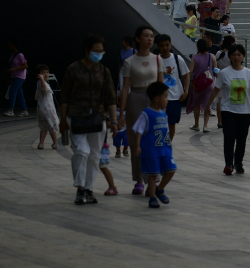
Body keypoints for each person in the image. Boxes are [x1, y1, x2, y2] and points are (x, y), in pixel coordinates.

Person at [58, 34, 119, 205]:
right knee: (81, 151)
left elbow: (110, 98)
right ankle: (80, 187)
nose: (98, 54)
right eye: (95, 51)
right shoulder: (73, 69)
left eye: (101, 51)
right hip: (77, 116)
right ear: (86, 50)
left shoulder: (103, 71)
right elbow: (64, 96)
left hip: (98, 118)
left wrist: (114, 120)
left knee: (94, 155)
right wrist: (63, 119)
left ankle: (88, 188)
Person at [120, 26, 164, 196]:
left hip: (153, 100)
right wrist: (121, 112)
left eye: (152, 36)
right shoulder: (129, 61)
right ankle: (139, 180)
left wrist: (163, 108)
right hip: (135, 99)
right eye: (146, 36)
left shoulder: (157, 59)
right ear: (138, 39)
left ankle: (152, 180)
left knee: (152, 141)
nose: (150, 39)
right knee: (135, 141)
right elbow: (125, 87)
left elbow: (161, 85)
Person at [207, 44, 250, 175]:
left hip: (244, 112)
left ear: (243, 56)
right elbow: (216, 90)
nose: (236, 57)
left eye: (239, 55)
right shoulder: (224, 73)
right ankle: (228, 164)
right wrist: (208, 105)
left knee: (241, 139)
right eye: (234, 55)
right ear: (230, 57)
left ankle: (238, 162)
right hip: (228, 111)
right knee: (229, 138)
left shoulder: (248, 73)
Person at [131, 81, 177, 208]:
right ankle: (152, 197)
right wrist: (137, 145)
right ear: (157, 99)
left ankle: (160, 189)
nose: (167, 100)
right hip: (151, 150)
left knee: (171, 169)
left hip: (164, 149)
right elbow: (139, 130)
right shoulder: (146, 114)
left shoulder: (163, 114)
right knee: (152, 174)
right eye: (165, 96)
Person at [155, 35, 190, 140]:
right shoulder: (156, 60)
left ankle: (169, 142)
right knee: (159, 123)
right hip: (160, 98)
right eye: (162, 46)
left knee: (172, 123)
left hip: (175, 97)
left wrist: (186, 91)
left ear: (170, 45)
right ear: (158, 47)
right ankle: (160, 143)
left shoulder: (177, 59)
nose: (165, 48)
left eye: (167, 45)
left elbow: (186, 75)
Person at [186, 38, 217, 132]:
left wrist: (186, 85)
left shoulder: (194, 58)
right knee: (208, 104)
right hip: (209, 83)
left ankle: (196, 124)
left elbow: (190, 72)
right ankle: (205, 126)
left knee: (196, 104)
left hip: (197, 84)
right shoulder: (212, 56)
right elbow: (215, 70)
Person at [34, 64, 59, 148]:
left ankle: (41, 143)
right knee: (52, 126)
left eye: (47, 72)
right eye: (43, 73)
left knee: (44, 127)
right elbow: (44, 90)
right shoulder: (41, 83)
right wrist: (41, 79)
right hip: (47, 109)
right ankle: (55, 143)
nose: (46, 74)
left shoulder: (42, 83)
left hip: (42, 108)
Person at [3, 40, 29, 117]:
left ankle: (11, 110)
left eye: (11, 44)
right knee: (19, 93)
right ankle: (24, 110)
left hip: (20, 76)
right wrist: (10, 78)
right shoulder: (13, 54)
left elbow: (25, 66)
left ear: (14, 45)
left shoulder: (20, 55)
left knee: (12, 91)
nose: (9, 46)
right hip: (14, 75)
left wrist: (16, 68)